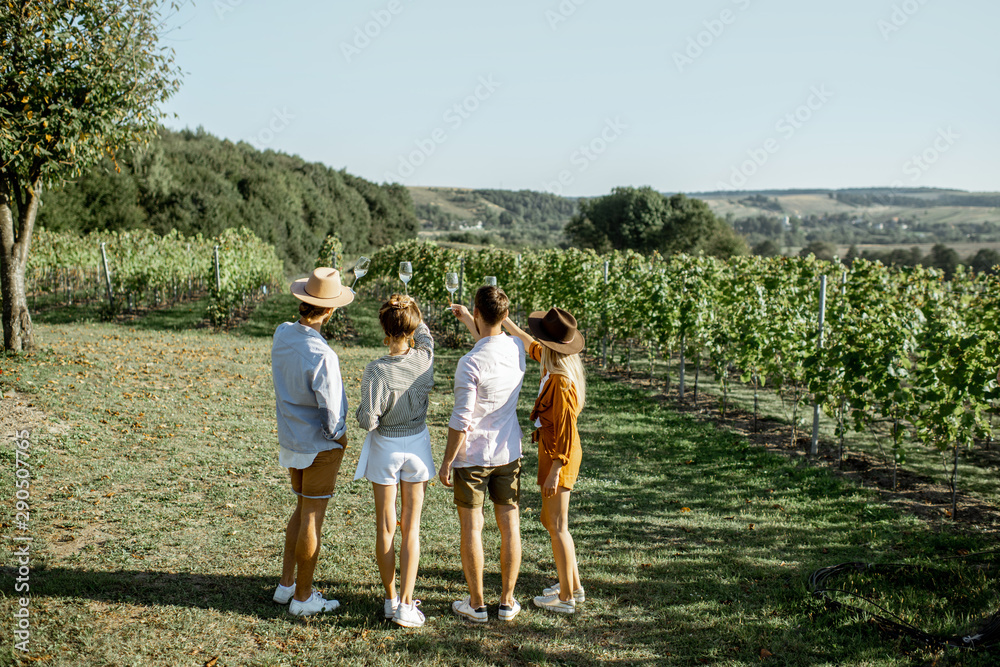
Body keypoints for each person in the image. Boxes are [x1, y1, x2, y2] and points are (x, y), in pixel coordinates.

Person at [440, 286, 526, 623]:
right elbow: (493, 338)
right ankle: (506, 601)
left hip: (472, 457)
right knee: (510, 527)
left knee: (472, 529)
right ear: (505, 316)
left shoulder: (469, 363)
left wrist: (447, 460)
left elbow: (462, 420)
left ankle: (476, 604)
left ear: (477, 313)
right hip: (507, 452)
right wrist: (470, 321)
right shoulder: (517, 349)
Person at [270, 267, 353, 617]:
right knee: (312, 519)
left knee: (302, 510)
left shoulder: (282, 334)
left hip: (291, 440)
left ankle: (286, 584)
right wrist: (342, 437)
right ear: (330, 311)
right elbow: (332, 415)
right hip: (318, 446)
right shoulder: (323, 356)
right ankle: (303, 598)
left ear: (303, 300)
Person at [354, 294, 435, 628]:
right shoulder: (425, 359)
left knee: (386, 528)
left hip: (386, 447)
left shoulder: (377, 370)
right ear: (412, 326)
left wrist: (365, 410)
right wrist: (411, 305)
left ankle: (389, 599)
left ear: (384, 329)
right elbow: (426, 335)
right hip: (417, 445)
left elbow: (367, 421)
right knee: (411, 528)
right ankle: (406, 603)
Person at [503, 307, 586, 614]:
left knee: (557, 525)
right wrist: (505, 321)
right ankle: (572, 585)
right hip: (553, 454)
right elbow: (527, 341)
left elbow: (566, 433)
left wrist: (555, 472)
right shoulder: (554, 367)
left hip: (559, 458)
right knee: (553, 522)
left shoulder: (561, 383)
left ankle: (565, 598)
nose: (537, 342)